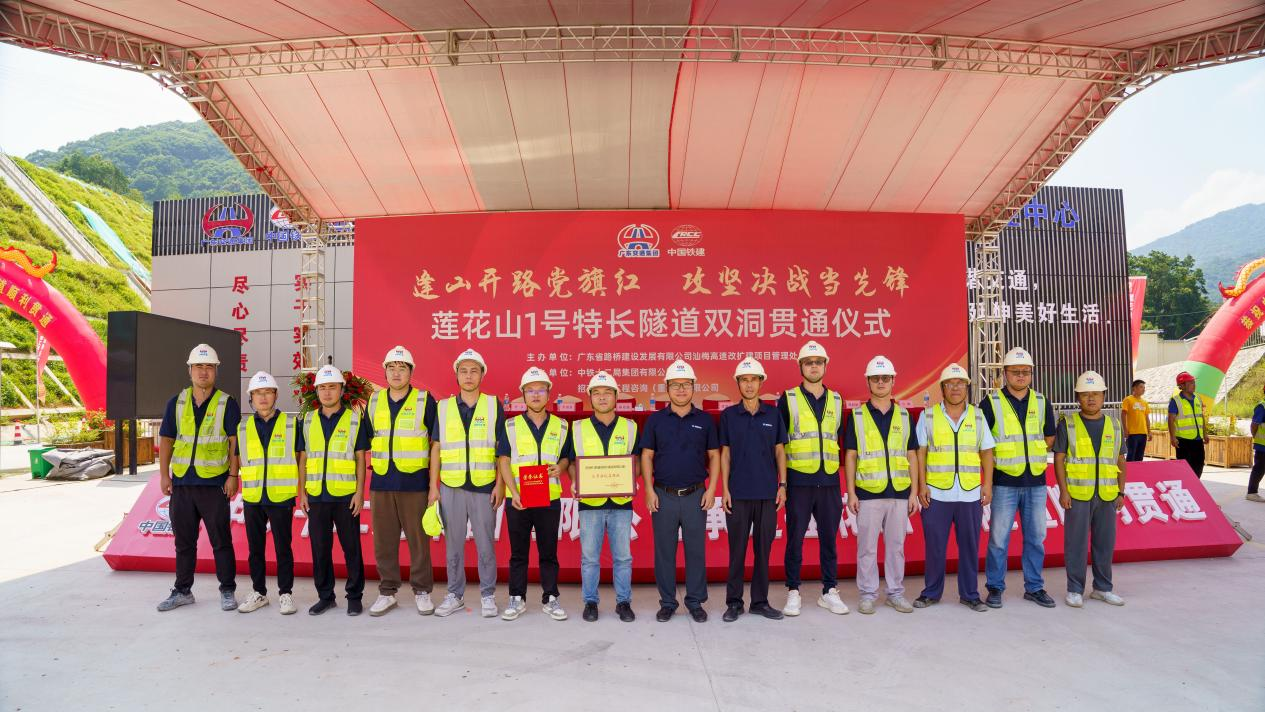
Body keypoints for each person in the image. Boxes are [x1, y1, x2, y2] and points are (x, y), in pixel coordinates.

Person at [156, 344, 241, 613]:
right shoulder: (177, 403)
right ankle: (182, 590)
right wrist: (164, 475)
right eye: (198, 367)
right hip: (182, 484)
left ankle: (227, 590)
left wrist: (233, 475)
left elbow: (234, 442)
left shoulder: (227, 403)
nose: (203, 372)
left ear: (216, 371)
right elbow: (167, 439)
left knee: (221, 541)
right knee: (183, 542)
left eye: (209, 367)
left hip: (214, 484)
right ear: (190, 370)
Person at [640, 359, 719, 623]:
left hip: (696, 495)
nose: (681, 389)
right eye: (676, 385)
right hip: (663, 495)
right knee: (664, 552)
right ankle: (667, 602)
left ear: (694, 387)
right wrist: (649, 490)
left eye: (686, 384)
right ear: (667, 388)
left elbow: (715, 455)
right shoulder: (656, 420)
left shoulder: (705, 420)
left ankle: (695, 602)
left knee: (696, 551)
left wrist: (712, 489)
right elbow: (647, 456)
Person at [430, 348, 505, 619]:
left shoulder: (493, 405)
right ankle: (455, 595)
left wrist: (500, 484)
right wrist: (433, 486)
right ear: (457, 375)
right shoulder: (443, 407)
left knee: (485, 544)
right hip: (451, 485)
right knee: (453, 544)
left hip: (484, 486)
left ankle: (487, 595)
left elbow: (502, 449)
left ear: (482, 374)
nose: (469, 376)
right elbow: (436, 448)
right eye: (463, 371)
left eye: (474, 371)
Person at [980, 347, 1057, 609]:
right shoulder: (991, 403)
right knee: (998, 540)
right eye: (1015, 371)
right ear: (1005, 373)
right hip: (1004, 482)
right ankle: (995, 587)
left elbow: (1049, 437)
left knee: (1036, 538)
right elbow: (984, 444)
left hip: (1035, 481)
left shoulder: (1042, 401)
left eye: (1025, 371)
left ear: (1032, 373)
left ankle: (1034, 587)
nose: (1021, 376)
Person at [914, 364, 993, 613]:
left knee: (969, 547)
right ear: (942, 388)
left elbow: (986, 452)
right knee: (935, 547)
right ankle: (931, 592)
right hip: (936, 493)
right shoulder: (928, 416)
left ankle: (970, 595)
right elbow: (920, 453)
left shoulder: (978, 416)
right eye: (950, 384)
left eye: (960, 383)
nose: (956, 388)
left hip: (969, 493)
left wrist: (987, 484)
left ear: (967, 387)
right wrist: (921, 486)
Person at [366, 346, 439, 617]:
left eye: (402, 368)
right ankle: (387, 592)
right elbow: (368, 439)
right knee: (384, 542)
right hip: (382, 483)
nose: (396, 373)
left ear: (411, 372)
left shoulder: (424, 400)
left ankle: (422, 591)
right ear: (384, 371)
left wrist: (433, 486)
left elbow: (436, 443)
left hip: (414, 483)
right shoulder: (374, 401)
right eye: (391, 368)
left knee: (419, 541)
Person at [844, 355, 920, 615]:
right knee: (866, 548)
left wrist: (914, 493)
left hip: (899, 492)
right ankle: (867, 594)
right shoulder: (857, 416)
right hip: (868, 493)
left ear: (893, 381)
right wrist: (851, 492)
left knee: (896, 547)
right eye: (875, 378)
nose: (880, 382)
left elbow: (912, 455)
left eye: (885, 378)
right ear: (868, 382)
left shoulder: (904, 415)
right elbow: (851, 455)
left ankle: (895, 593)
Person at [778, 340, 848, 617]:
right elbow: (780, 444)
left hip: (829, 481)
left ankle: (829, 590)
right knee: (795, 539)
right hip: (799, 481)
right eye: (809, 362)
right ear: (801, 367)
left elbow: (837, 437)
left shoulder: (837, 400)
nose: (814, 366)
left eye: (818, 362)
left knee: (829, 539)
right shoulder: (788, 398)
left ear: (825, 366)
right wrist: (783, 483)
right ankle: (793, 591)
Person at [498, 367, 571, 622]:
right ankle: (516, 597)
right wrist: (513, 492)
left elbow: (566, 457)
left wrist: (560, 467)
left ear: (549, 393)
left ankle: (551, 597)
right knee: (518, 553)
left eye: (540, 389)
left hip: (549, 498)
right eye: (530, 390)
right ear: (523, 394)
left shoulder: (562, 426)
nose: (536, 394)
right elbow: (504, 461)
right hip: (519, 499)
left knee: (548, 552)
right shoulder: (510, 425)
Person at [296, 364, 370, 616]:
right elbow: (303, 459)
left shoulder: (354, 419)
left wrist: (359, 493)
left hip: (346, 496)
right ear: (316, 391)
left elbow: (360, 458)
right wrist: (302, 492)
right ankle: (325, 596)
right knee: (320, 549)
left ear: (341, 390)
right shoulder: (307, 420)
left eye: (332, 387)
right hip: (316, 495)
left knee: (352, 548)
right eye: (323, 387)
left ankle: (354, 597)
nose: (327, 392)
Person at [720, 357, 787, 622]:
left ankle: (760, 602)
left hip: (767, 494)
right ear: (738, 383)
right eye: (744, 380)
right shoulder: (729, 416)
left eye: (754, 380)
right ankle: (734, 603)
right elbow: (725, 454)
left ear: (761, 382)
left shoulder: (773, 414)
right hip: (738, 494)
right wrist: (725, 490)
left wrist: (782, 485)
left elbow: (780, 452)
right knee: (736, 552)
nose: (749, 385)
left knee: (763, 552)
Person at [1054, 371, 1127, 608]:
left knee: (1104, 544)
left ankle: (1103, 588)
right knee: (1075, 544)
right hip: (1078, 495)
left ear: (1104, 395)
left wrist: (1121, 491)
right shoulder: (1068, 424)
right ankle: (1075, 589)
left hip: (1107, 495)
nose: (1091, 398)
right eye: (1085, 394)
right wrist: (1064, 491)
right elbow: (1059, 458)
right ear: (1078, 397)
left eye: (1096, 394)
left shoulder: (1115, 425)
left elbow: (1120, 460)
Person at [574, 371, 638, 623]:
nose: (602, 398)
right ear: (590, 397)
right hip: (590, 504)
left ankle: (623, 602)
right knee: (590, 558)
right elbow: (570, 461)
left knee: (623, 557)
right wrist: (575, 480)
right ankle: (590, 602)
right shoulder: (578, 428)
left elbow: (636, 461)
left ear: (616, 397)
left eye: (607, 393)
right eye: (597, 393)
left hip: (621, 503)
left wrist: (631, 479)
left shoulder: (630, 427)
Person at [235, 371, 298, 615]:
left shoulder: (291, 424)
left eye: (268, 392)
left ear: (276, 395)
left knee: (283, 548)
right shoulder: (242, 427)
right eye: (258, 393)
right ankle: (259, 592)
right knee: (255, 549)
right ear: (251, 397)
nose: (263, 397)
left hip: (281, 496)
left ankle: (286, 594)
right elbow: (238, 458)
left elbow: (300, 458)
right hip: (253, 496)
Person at [1167, 371, 1209, 479]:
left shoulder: (1198, 398)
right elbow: (1171, 420)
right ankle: (1186, 486)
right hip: (1183, 441)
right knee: (1184, 468)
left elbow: (1201, 417)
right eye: (1190, 383)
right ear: (1182, 386)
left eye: (1194, 382)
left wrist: (1205, 433)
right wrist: (1172, 437)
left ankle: (1194, 484)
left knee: (1199, 464)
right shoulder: (1175, 401)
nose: (1194, 385)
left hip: (1198, 439)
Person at [1121, 379, 1151, 462]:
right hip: (1132, 433)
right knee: (1131, 455)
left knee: (1140, 456)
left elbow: (1147, 418)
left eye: (1144, 387)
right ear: (1134, 388)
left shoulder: (1145, 402)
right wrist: (1125, 429)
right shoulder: (1128, 400)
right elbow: (1123, 415)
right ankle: (1129, 470)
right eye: (1141, 387)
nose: (1143, 389)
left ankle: (1139, 470)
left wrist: (1149, 431)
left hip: (1143, 433)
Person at [1249, 384, 1265, 503]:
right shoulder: (1262, 407)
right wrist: (1256, 436)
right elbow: (1254, 425)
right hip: (1262, 445)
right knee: (1259, 469)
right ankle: (1252, 493)